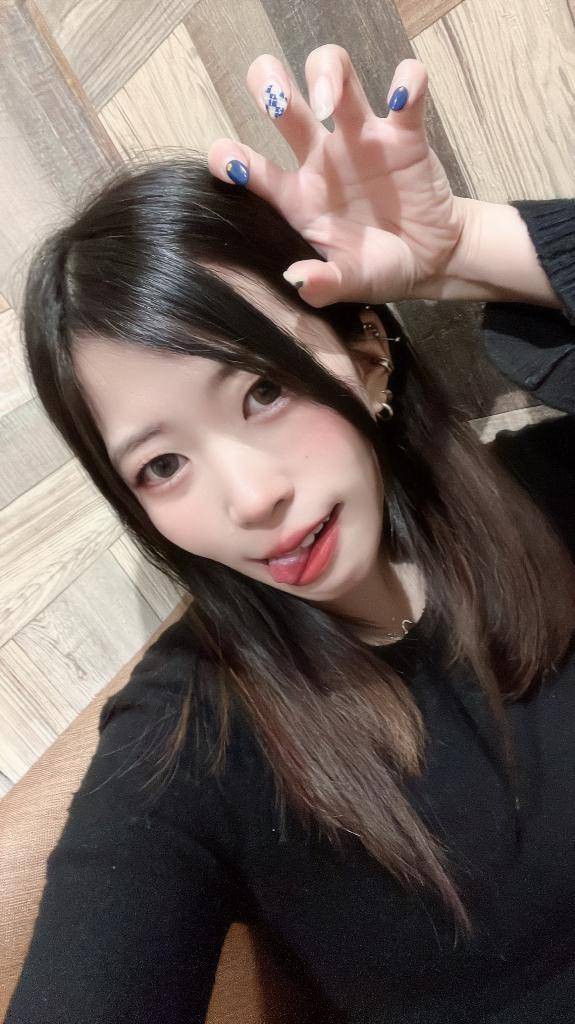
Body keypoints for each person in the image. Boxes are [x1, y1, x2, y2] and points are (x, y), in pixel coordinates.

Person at [5, 45, 575, 1024]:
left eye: (262, 390)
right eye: (161, 465)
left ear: (365, 352)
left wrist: (467, 249)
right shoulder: (191, 739)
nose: (251, 497)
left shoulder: (548, 492)